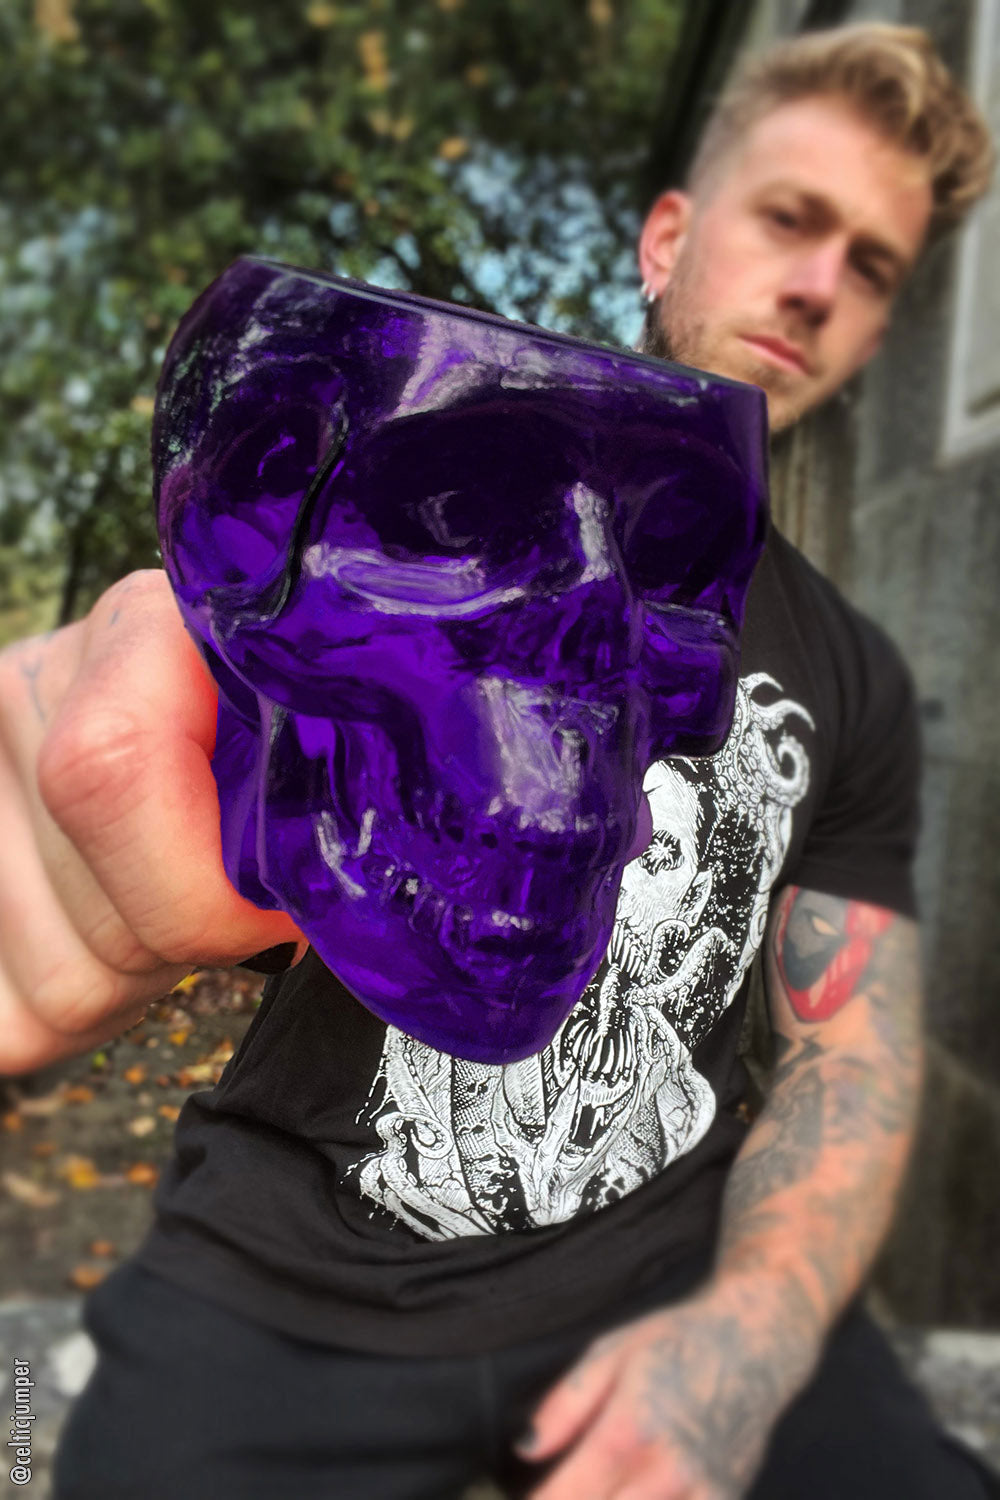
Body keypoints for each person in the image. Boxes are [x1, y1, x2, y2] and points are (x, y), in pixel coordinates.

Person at [0, 21, 995, 1500]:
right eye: (792, 218)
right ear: (668, 238)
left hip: (670, 1262)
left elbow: (854, 1050)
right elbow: (160, 695)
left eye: (872, 266)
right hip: (290, 1269)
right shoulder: (395, 501)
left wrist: (753, 1328)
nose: (818, 285)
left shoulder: (853, 672)